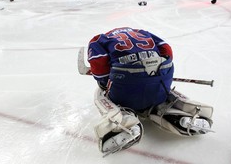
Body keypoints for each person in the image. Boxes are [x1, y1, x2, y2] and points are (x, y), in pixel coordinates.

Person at [87, 27, 214, 156]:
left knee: (101, 92)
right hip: (160, 83)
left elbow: (99, 66)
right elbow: (166, 50)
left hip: (126, 88)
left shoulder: (100, 39)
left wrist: (105, 81)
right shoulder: (142, 33)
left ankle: (122, 122)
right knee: (160, 88)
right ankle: (177, 112)